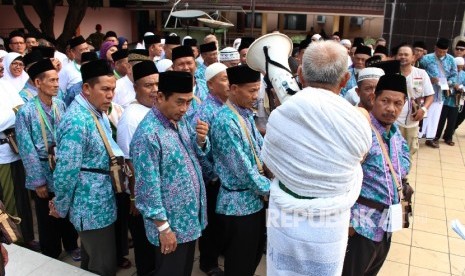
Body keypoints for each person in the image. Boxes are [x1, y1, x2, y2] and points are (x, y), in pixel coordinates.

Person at [261, 40, 371, 276]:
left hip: (285, 216)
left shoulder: (280, 116)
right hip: (330, 222)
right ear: (344, 80)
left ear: (299, 74)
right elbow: (359, 159)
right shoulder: (358, 120)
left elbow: (269, 167)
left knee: (283, 269)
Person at [130, 71, 209, 276]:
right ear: (160, 97)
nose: (184, 109)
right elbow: (147, 188)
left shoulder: (178, 120)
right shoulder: (148, 135)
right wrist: (164, 228)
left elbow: (190, 149)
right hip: (171, 224)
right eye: (179, 102)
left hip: (188, 219)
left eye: (189, 102)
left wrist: (200, 140)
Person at [50, 59, 122, 276]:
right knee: (103, 265)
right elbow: (65, 171)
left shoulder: (95, 111)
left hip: (100, 200)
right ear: (87, 89)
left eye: (113, 89)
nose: (111, 95)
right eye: (105, 89)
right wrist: (60, 205)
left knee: (92, 261)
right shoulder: (77, 121)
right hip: (90, 206)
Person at [342, 74, 410, 276]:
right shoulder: (361, 130)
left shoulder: (396, 133)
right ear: (374, 99)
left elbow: (406, 162)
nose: (391, 109)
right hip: (361, 224)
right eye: (385, 101)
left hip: (387, 222)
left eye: (398, 103)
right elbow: (343, 176)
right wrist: (348, 221)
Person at [15, 58, 81, 260]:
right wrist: (38, 181)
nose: (56, 84)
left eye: (57, 80)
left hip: (61, 167)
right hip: (43, 168)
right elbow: (27, 149)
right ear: (37, 83)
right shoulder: (26, 111)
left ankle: (71, 244)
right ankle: (51, 251)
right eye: (51, 80)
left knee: (66, 208)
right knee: (46, 214)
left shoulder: (60, 105)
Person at [209, 65, 270, 276]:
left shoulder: (243, 114)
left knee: (251, 259)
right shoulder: (226, 121)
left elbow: (261, 150)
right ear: (234, 88)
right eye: (251, 90)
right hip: (238, 206)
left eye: (258, 90)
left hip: (253, 202)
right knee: (239, 264)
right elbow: (243, 169)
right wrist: (273, 190)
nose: (256, 96)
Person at [117, 60, 159, 275]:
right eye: (148, 85)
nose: (154, 90)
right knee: (144, 247)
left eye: (156, 84)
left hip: (154, 192)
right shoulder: (131, 116)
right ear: (135, 88)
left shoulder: (153, 110)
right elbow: (129, 162)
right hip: (138, 196)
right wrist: (133, 197)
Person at [193, 63, 229, 276]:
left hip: (224, 177)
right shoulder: (206, 110)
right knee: (212, 224)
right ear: (210, 85)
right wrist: (213, 175)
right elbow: (199, 148)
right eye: (223, 79)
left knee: (221, 222)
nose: (228, 83)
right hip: (213, 180)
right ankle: (208, 262)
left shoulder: (226, 105)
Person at [395, 44, 434, 161]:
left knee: (409, 151)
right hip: (393, 120)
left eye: (406, 54)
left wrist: (423, 109)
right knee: (393, 150)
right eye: (400, 54)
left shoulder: (421, 74)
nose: (403, 57)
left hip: (412, 121)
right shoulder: (391, 74)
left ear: (413, 58)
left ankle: (405, 177)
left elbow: (430, 95)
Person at [419, 38, 458, 148]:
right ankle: (417, 136)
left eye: (444, 52)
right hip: (426, 92)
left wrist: (448, 82)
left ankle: (430, 138)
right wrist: (430, 79)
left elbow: (454, 75)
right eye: (439, 51)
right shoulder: (426, 59)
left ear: (447, 50)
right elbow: (420, 73)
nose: (441, 54)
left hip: (441, 92)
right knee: (423, 113)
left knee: (435, 116)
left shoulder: (451, 60)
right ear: (435, 48)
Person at [171, 45, 209, 121]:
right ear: (173, 67)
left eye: (189, 63)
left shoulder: (206, 86)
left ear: (195, 65)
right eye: (181, 64)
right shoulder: (168, 91)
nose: (186, 67)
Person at [434, 56, 465, 146]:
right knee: (441, 119)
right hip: (445, 99)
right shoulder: (448, 72)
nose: (459, 68)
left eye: (461, 66)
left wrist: (460, 87)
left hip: (456, 100)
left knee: (452, 120)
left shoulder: (464, 74)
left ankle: (448, 137)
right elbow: (442, 83)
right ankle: (436, 136)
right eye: (457, 66)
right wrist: (452, 84)